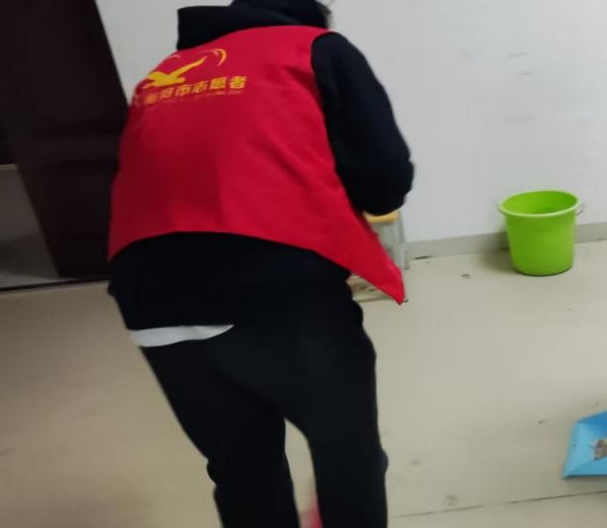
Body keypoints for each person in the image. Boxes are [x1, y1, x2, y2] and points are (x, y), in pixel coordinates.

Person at [108, 1, 413, 526]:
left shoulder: (164, 74)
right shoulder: (316, 49)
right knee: (347, 455)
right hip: (270, 283)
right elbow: (384, 177)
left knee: (242, 468)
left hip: (147, 293)